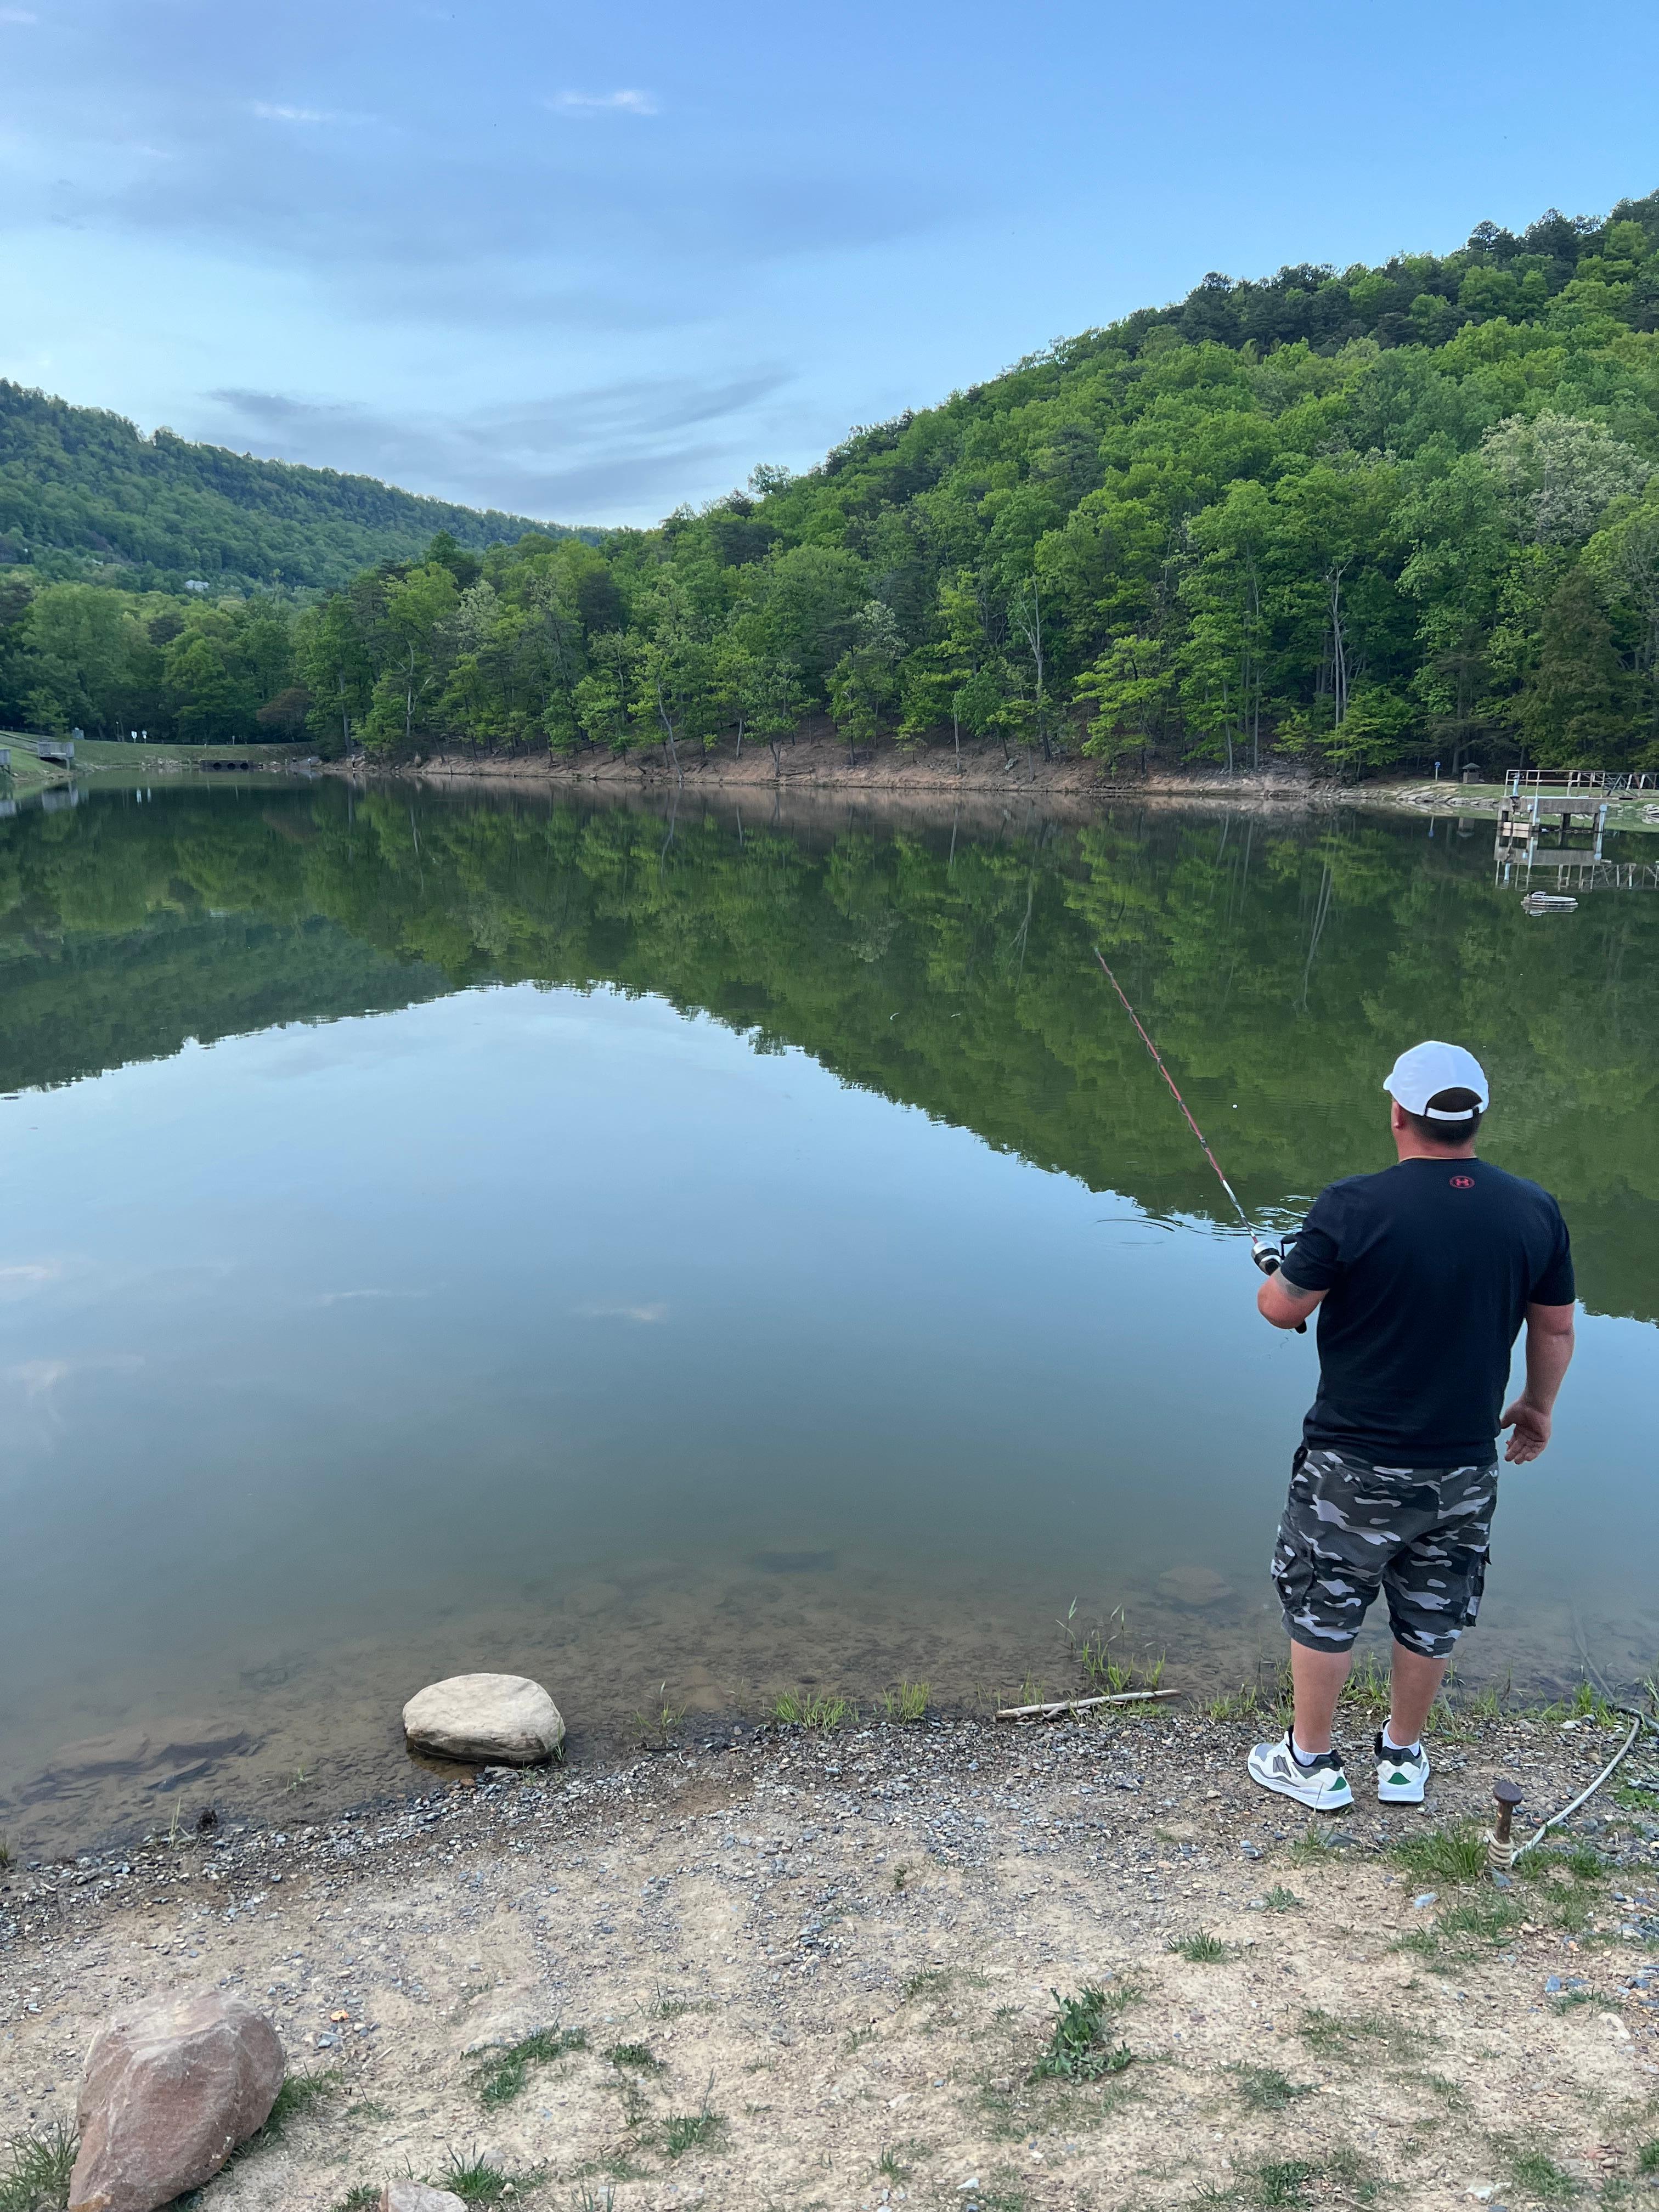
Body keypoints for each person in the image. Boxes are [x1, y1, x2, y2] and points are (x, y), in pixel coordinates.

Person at [1247, 1041, 1576, 1812]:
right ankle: (1401, 1759)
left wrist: (1284, 1265)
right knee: (1433, 1608)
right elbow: (1554, 1330)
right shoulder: (1532, 1209)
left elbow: (1281, 1308)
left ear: (1397, 1113)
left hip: (1352, 1461)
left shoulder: (1352, 1206)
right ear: (1476, 1119)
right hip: (1464, 1464)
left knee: (1326, 1601)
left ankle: (1312, 1763)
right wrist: (1537, 1407)